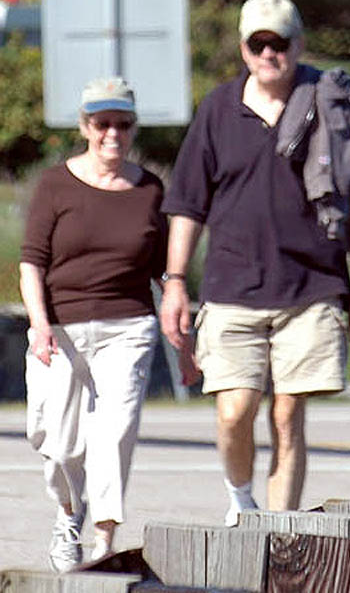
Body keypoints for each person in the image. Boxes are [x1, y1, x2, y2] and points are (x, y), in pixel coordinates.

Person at [160, 0, 350, 525]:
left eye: (278, 42)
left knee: (287, 413)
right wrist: (174, 283)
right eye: (257, 43)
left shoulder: (333, 105)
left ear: (297, 44)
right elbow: (187, 205)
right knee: (235, 409)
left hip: (311, 287)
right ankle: (241, 498)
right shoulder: (218, 108)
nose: (268, 54)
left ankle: (278, 532)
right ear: (243, 48)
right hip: (232, 287)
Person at [20, 77, 167, 571]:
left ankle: (103, 541)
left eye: (122, 124)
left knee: (115, 432)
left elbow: (164, 269)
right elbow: (32, 263)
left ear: (133, 128)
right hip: (60, 329)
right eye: (102, 123)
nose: (112, 133)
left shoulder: (149, 189)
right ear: (85, 126)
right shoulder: (55, 184)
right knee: (56, 443)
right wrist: (39, 324)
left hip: (129, 328)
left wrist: (181, 325)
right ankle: (68, 514)